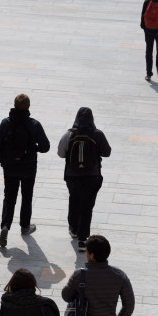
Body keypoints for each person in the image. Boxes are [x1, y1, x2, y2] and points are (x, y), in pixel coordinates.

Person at [0, 94, 50, 248]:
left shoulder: (6, 123)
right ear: (28, 106)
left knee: (9, 197)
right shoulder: (34, 124)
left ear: (14, 105)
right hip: (29, 167)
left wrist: (3, 162)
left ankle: (5, 226)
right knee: (27, 196)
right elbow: (46, 147)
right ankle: (25, 226)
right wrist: (34, 148)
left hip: (10, 166)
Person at [57, 107, 111, 252]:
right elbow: (107, 152)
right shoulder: (97, 134)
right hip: (92, 176)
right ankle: (82, 239)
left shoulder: (69, 134)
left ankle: (73, 228)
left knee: (74, 200)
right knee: (87, 206)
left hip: (72, 175)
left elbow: (61, 153)